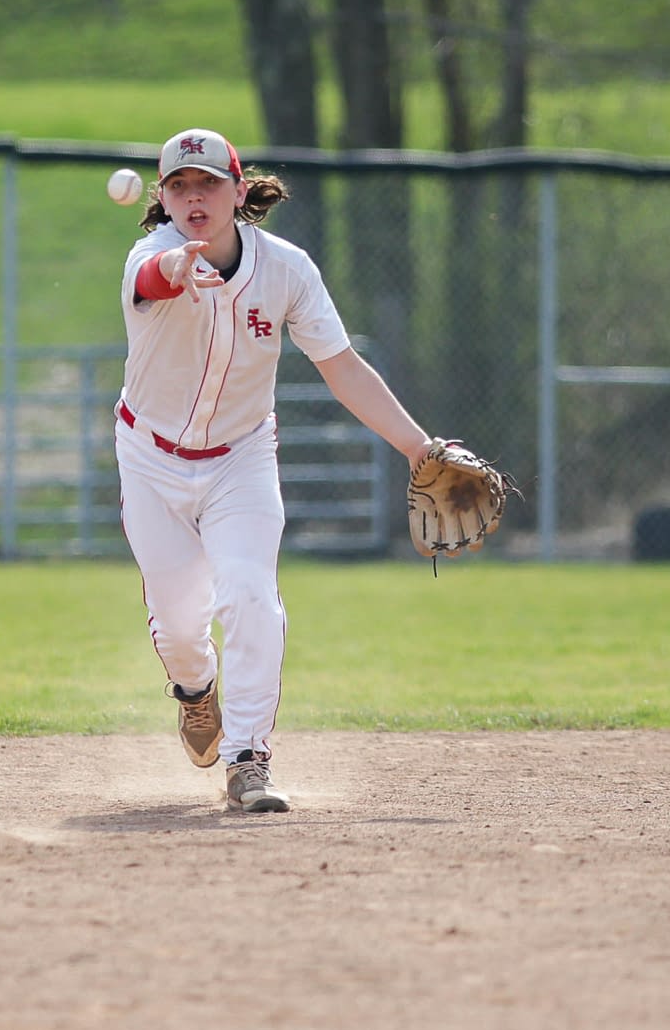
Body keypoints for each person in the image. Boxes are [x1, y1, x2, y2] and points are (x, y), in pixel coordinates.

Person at [115, 128, 438, 814]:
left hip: (241, 458)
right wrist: (174, 272)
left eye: (208, 183)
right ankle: (197, 693)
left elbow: (342, 367)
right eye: (179, 186)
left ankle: (248, 759)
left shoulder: (286, 269)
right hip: (151, 459)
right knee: (179, 628)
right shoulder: (149, 256)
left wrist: (418, 447)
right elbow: (152, 280)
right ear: (164, 200)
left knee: (250, 594)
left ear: (239, 190)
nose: (194, 197)